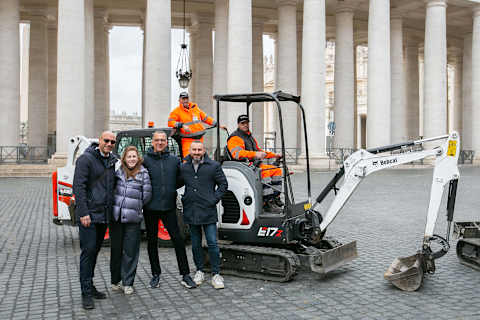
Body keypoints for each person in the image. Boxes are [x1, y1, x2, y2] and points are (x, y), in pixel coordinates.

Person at [142, 131, 197, 289]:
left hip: (169, 207)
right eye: (157, 140)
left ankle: (185, 274)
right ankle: (155, 274)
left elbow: (179, 180)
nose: (160, 143)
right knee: (152, 242)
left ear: (167, 142)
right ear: (152, 142)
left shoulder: (174, 161)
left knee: (178, 240)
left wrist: (170, 189)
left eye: (163, 140)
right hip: (150, 208)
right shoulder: (145, 161)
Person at [72, 131, 118, 310]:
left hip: (103, 214)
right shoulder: (86, 159)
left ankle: (90, 286)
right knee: (88, 252)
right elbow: (79, 186)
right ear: (99, 141)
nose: (109, 143)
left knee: (95, 251)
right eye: (106, 140)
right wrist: (83, 212)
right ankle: (85, 293)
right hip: (89, 215)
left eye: (112, 142)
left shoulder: (112, 160)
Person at [180, 140, 228, 289]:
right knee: (195, 244)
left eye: (199, 150)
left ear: (203, 150)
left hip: (207, 210)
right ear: (190, 151)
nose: (196, 152)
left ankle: (216, 273)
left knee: (212, 242)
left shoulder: (213, 166)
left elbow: (223, 184)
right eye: (194, 150)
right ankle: (199, 270)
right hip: (191, 210)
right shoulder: (184, 167)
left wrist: (213, 199)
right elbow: (177, 183)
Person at [110, 146, 152, 295]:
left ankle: (128, 282)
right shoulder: (118, 172)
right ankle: (115, 280)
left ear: (138, 158)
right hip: (116, 218)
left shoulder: (143, 173)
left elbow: (146, 195)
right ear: (124, 159)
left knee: (130, 251)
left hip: (133, 219)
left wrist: (135, 206)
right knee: (116, 250)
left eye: (134, 156)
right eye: (129, 156)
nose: (132, 159)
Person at [226, 114, 284, 211]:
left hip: (254, 165)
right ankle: (267, 202)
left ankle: (275, 197)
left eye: (247, 123)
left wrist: (275, 155)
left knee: (276, 170)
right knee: (264, 172)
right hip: (244, 166)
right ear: (238, 124)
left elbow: (259, 151)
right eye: (242, 123)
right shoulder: (235, 138)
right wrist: (255, 154)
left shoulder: (249, 137)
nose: (245, 125)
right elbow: (237, 154)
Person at [168, 91, 225, 158]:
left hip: (199, 139)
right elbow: (170, 122)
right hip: (187, 140)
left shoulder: (195, 108)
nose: (185, 100)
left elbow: (206, 118)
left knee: (201, 160)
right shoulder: (176, 112)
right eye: (183, 99)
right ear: (179, 100)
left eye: (186, 98)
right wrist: (182, 125)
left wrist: (218, 125)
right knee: (187, 160)